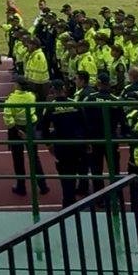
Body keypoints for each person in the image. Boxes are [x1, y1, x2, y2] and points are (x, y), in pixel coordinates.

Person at [41, 79, 87, 208]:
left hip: (61, 146)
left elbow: (43, 127)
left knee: (64, 174)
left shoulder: (50, 107)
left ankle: (68, 201)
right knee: (75, 170)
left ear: (53, 91)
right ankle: (73, 196)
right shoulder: (75, 104)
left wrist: (48, 145)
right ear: (64, 89)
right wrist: (85, 142)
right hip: (76, 143)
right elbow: (84, 124)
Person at [3, 76, 49, 198]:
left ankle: (21, 187)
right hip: (30, 127)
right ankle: (43, 186)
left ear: (18, 85)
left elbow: (8, 117)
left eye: (15, 83)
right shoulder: (31, 96)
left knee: (18, 160)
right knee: (34, 157)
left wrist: (16, 129)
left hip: (16, 130)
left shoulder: (11, 99)